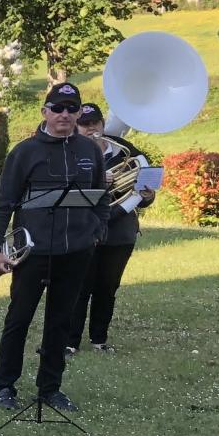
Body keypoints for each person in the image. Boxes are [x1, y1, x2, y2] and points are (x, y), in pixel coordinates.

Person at [0, 81, 107, 412]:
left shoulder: (90, 151)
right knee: (19, 318)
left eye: (72, 109)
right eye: (57, 108)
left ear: (79, 113)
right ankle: (5, 385)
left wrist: (98, 230)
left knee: (61, 322)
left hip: (76, 251)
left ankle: (50, 388)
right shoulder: (25, 152)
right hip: (34, 252)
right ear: (45, 112)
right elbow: (3, 203)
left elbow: (101, 197)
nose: (64, 115)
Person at [71, 103, 154, 355]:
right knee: (79, 288)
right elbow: (66, 191)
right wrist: (96, 179)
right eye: (85, 124)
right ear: (76, 127)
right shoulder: (70, 154)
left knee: (108, 288)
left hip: (120, 232)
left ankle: (99, 339)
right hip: (85, 230)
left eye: (95, 123)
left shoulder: (129, 153)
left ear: (103, 125)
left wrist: (148, 195)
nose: (91, 128)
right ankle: (69, 342)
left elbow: (145, 192)